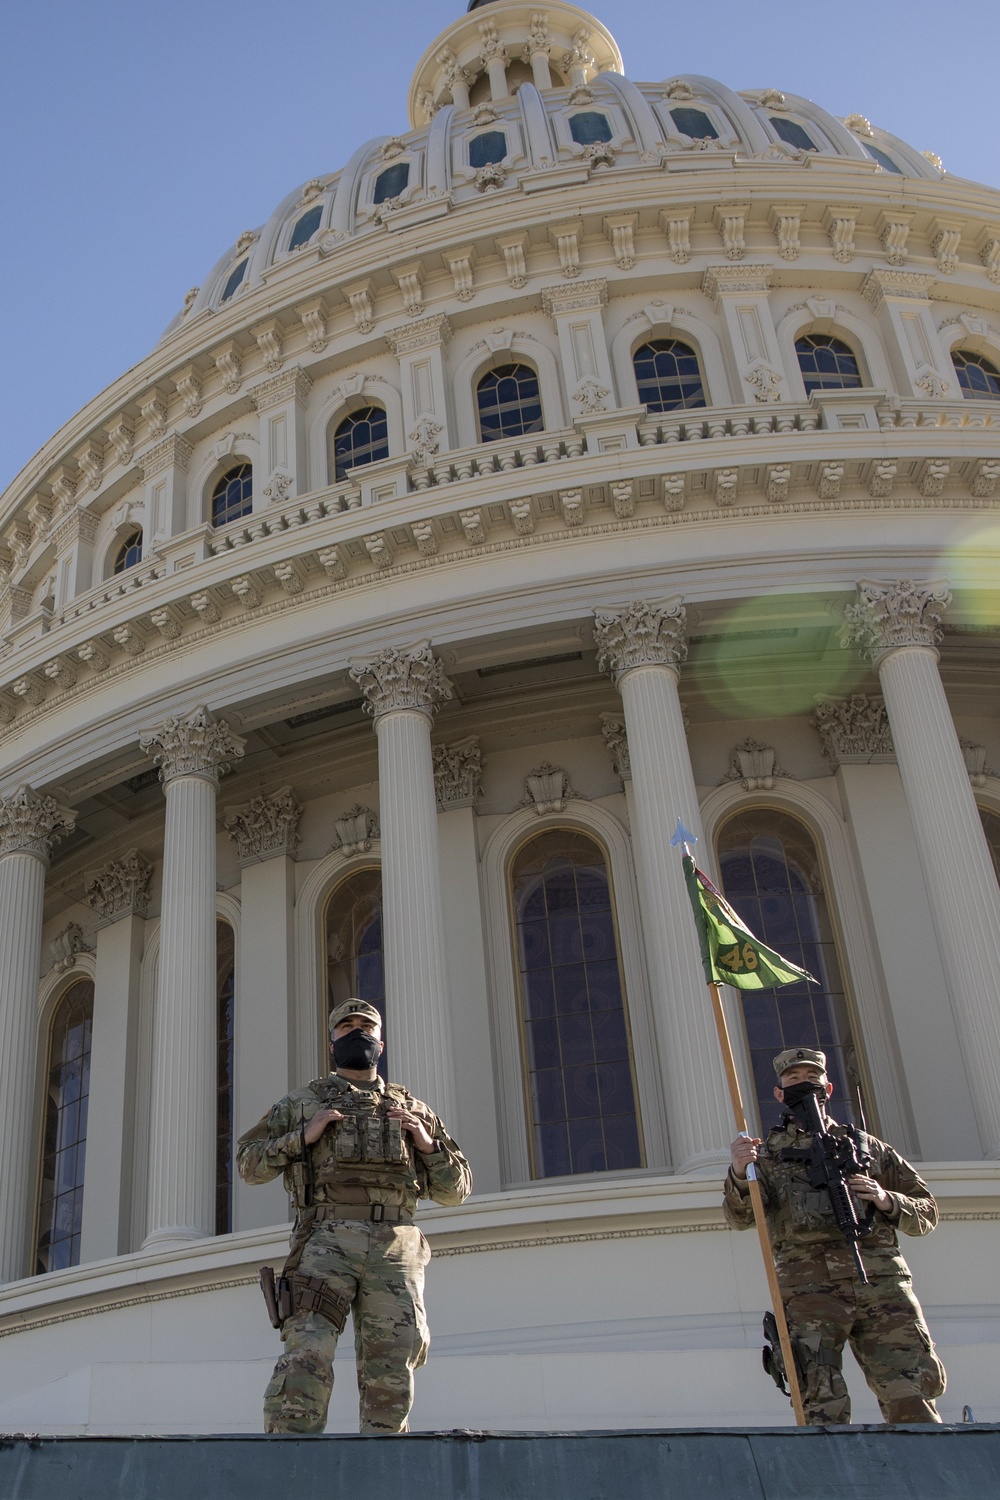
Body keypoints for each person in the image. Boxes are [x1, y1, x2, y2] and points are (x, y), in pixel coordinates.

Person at [236, 998, 472, 1435]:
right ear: (332, 1042)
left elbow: (455, 1191)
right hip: (326, 1238)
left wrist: (426, 1145)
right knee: (307, 1350)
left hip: (395, 1244)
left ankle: (382, 1465)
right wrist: (301, 1139)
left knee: (393, 1361)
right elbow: (248, 1165)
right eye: (347, 1027)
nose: (357, 1033)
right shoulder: (302, 1102)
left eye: (366, 1026)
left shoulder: (413, 1110)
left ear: (381, 1042)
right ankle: (290, 1464)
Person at [724, 1046, 946, 1425]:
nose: (803, 1085)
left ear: (828, 1087)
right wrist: (740, 1173)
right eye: (793, 1079)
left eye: (811, 1078)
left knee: (910, 1394)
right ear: (779, 1094)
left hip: (881, 1284)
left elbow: (926, 1213)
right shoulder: (767, 1157)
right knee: (819, 1402)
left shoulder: (870, 1149)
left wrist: (884, 1198)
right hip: (810, 1290)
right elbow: (742, 1217)